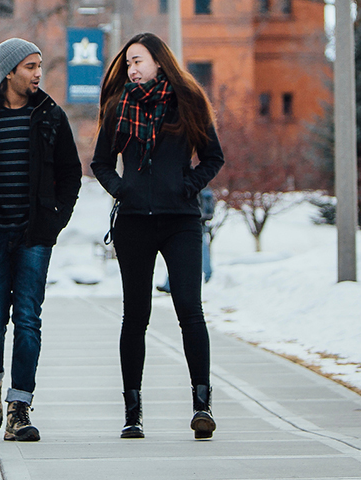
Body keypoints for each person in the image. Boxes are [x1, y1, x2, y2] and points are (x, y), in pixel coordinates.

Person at [90, 32, 225, 440]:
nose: (131, 69)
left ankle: (202, 405)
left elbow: (213, 157)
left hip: (180, 221)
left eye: (138, 61)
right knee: (136, 316)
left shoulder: (188, 102)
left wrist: (188, 186)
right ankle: (133, 412)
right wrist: (122, 189)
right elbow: (100, 163)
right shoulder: (118, 107)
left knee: (189, 308)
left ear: (160, 62)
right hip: (134, 223)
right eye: (128, 62)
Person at [0, 38, 82, 442]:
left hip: (35, 236)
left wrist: (55, 222)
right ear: (9, 71)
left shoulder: (51, 115)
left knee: (28, 320)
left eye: (40, 66)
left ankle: (19, 407)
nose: (38, 73)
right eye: (30, 66)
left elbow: (71, 175)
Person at [157, 186, 215, 292]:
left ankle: (209, 276)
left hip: (194, 223)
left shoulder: (194, 187)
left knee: (196, 252)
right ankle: (169, 284)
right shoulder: (201, 189)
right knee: (181, 254)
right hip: (195, 223)